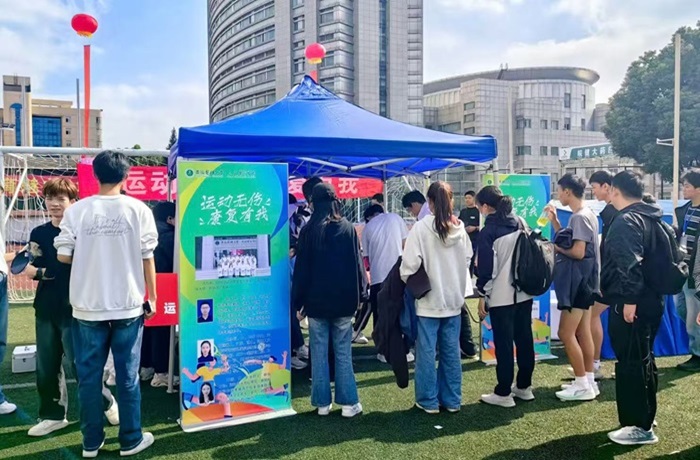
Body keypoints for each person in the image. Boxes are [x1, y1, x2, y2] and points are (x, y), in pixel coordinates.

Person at [55, 150, 158, 457]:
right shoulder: (138, 209)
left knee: (89, 378)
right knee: (127, 376)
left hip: (88, 305)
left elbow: (63, 256)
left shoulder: (77, 211)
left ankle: (91, 442)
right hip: (127, 304)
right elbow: (147, 257)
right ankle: (131, 439)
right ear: (126, 176)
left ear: (96, 175)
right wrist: (152, 296)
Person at [25, 179, 118, 436]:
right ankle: (53, 415)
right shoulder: (39, 233)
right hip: (45, 307)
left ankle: (107, 402)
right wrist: (37, 271)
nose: (54, 204)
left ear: (73, 202)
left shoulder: (83, 232)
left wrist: (41, 272)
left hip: (76, 308)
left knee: (81, 365)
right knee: (47, 365)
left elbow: (83, 267)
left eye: (61, 199)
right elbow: (30, 265)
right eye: (50, 198)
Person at [601, 170, 665, 445]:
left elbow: (630, 264)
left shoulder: (626, 220)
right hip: (651, 299)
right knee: (643, 359)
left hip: (632, 302)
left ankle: (638, 425)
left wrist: (629, 301)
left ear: (615, 191)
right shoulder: (652, 216)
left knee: (631, 362)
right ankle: (645, 415)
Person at [293, 182, 366, 418]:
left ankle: (322, 404)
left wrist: (298, 303)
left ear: (313, 203)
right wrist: (361, 295)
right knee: (343, 353)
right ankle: (349, 404)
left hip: (316, 303)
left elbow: (302, 270)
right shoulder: (347, 228)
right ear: (335, 201)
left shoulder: (309, 231)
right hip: (344, 301)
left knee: (318, 353)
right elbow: (357, 265)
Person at [400, 181, 472, 414]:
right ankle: (452, 400)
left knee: (426, 353)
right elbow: (468, 260)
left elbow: (409, 265)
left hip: (428, 300)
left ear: (429, 202)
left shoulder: (421, 228)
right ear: (451, 200)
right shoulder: (460, 229)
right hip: (454, 300)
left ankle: (428, 400)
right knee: (451, 353)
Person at [474, 185, 536, 408]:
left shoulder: (488, 231)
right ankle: (524, 386)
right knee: (525, 339)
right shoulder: (520, 222)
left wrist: (483, 294)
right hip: (524, 292)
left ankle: (503, 392)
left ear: (485, 206)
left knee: (504, 344)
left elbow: (485, 270)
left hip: (501, 295)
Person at [547, 174, 600, 402]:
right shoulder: (587, 214)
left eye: (559, 191)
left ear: (567, 191)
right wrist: (555, 223)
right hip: (587, 282)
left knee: (565, 333)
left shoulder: (579, 217)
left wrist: (555, 249)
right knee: (583, 331)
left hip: (578, 283)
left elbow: (578, 252)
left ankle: (581, 384)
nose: (558, 195)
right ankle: (588, 380)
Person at [570, 170, 616, 380]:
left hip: (608, 275)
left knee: (589, 319)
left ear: (607, 186)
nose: (593, 192)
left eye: (595, 187)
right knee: (591, 319)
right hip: (603, 273)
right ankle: (592, 365)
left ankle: (591, 367)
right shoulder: (604, 212)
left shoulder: (613, 211)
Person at [361, 204, 409, 361]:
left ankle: (382, 350)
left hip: (378, 277)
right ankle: (405, 349)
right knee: (401, 312)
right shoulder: (396, 218)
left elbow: (366, 259)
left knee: (380, 315)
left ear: (369, 217)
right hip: (399, 275)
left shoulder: (367, 228)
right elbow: (406, 244)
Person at [143, 201, 177, 388]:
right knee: (162, 331)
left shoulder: (147, 233)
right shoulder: (170, 237)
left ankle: (146, 367)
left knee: (148, 327)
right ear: (170, 219)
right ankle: (162, 373)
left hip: (146, 286)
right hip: (165, 287)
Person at [674, 170, 700, 372]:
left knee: (693, 317)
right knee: (681, 309)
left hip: (696, 273)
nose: (684, 189)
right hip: (682, 269)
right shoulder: (683, 210)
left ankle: (697, 355)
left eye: (687, 186)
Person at [458, 191, 481, 276]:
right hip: (464, 239)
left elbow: (482, 225)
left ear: (474, 199)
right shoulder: (463, 212)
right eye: (466, 198)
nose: (467, 200)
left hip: (475, 240)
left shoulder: (478, 212)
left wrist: (475, 228)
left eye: (469, 198)